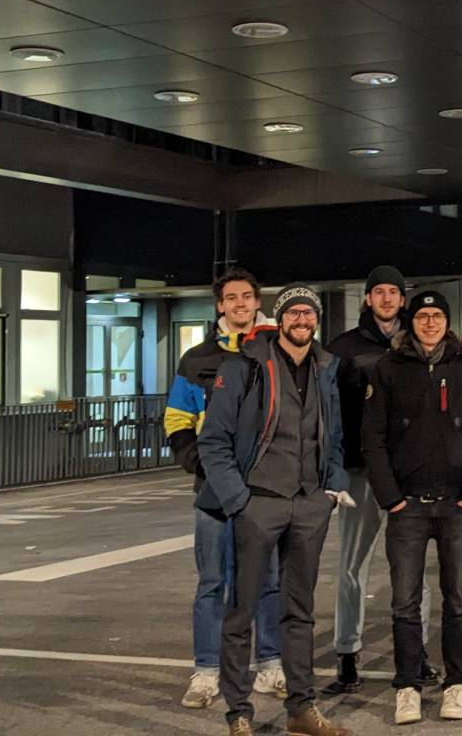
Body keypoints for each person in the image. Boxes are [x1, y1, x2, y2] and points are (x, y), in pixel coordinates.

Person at [197, 286, 353, 736]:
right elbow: (214, 441)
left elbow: (335, 436)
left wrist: (330, 488)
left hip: (308, 504)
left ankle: (302, 709)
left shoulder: (325, 368)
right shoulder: (244, 366)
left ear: (316, 320)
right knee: (241, 610)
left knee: (299, 611)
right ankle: (239, 714)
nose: (302, 320)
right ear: (280, 319)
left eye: (309, 313)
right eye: (294, 312)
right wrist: (238, 501)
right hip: (257, 502)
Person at [363, 289, 462, 724]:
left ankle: (456, 684)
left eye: (437, 316)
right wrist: (392, 499)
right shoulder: (388, 368)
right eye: (422, 316)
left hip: (457, 504)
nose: (430, 323)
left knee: (457, 598)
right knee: (404, 601)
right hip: (408, 507)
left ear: (446, 321)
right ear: (412, 321)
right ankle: (407, 685)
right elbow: (373, 438)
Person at [164, 268, 286, 710]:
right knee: (212, 582)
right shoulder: (195, 359)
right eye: (231, 297)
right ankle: (206, 672)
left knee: (269, 580)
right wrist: (201, 465)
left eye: (247, 297)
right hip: (213, 492)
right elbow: (177, 420)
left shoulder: (274, 352)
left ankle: (271, 666)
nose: (239, 304)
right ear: (220, 305)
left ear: (257, 303)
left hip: (264, 490)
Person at [326, 265, 433, 694]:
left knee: (413, 569)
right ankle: (347, 654)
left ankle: (418, 653)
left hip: (409, 471)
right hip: (358, 470)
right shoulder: (343, 348)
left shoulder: (421, 343)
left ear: (403, 299)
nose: (387, 298)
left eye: (394, 292)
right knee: (352, 566)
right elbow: (329, 413)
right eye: (379, 292)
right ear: (368, 299)